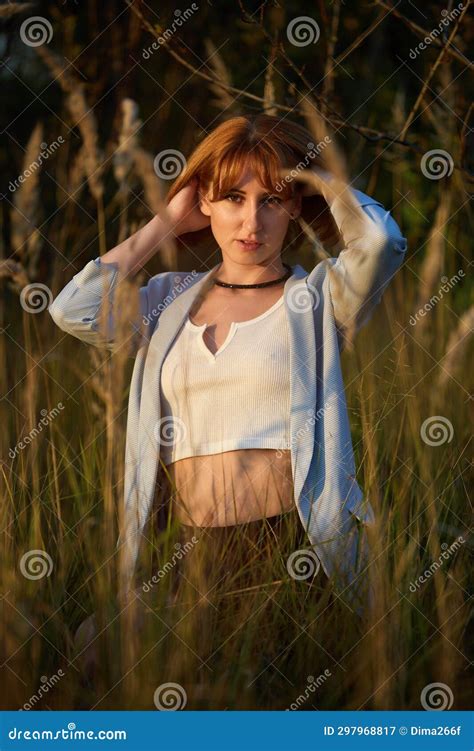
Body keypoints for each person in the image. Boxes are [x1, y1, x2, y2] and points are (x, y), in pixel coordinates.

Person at [49, 114, 408, 676]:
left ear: (293, 208)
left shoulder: (318, 299)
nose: (251, 220)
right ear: (204, 202)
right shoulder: (164, 303)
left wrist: (317, 181)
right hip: (187, 551)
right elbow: (74, 309)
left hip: (292, 544)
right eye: (232, 197)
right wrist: (165, 222)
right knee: (97, 648)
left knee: (261, 684)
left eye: (271, 199)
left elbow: (383, 240)